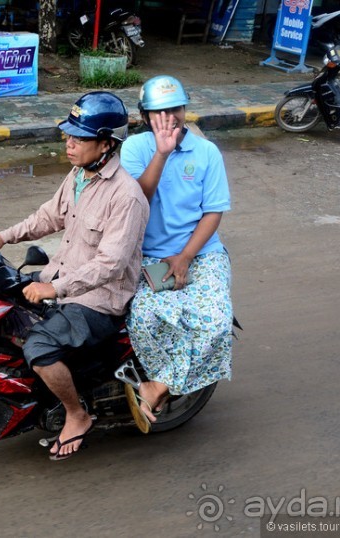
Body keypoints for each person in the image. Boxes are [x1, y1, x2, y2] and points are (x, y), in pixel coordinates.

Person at [0, 92, 149, 461]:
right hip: (64, 281)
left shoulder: (127, 197)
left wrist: (52, 287)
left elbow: (111, 265)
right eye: (68, 135)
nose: (69, 144)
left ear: (107, 144)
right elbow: (49, 217)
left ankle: (77, 415)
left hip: (97, 302)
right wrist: (3, 236)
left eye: (79, 138)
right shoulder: (79, 175)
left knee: (38, 348)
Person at [119, 75, 234, 433]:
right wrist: (161, 153)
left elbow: (213, 212)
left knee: (215, 322)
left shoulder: (207, 152)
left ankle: (160, 386)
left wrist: (185, 257)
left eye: (176, 109)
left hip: (201, 253)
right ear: (144, 116)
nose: (169, 118)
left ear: (185, 110)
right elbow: (137, 202)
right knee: (142, 315)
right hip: (148, 256)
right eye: (159, 112)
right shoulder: (134, 149)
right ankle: (162, 380)